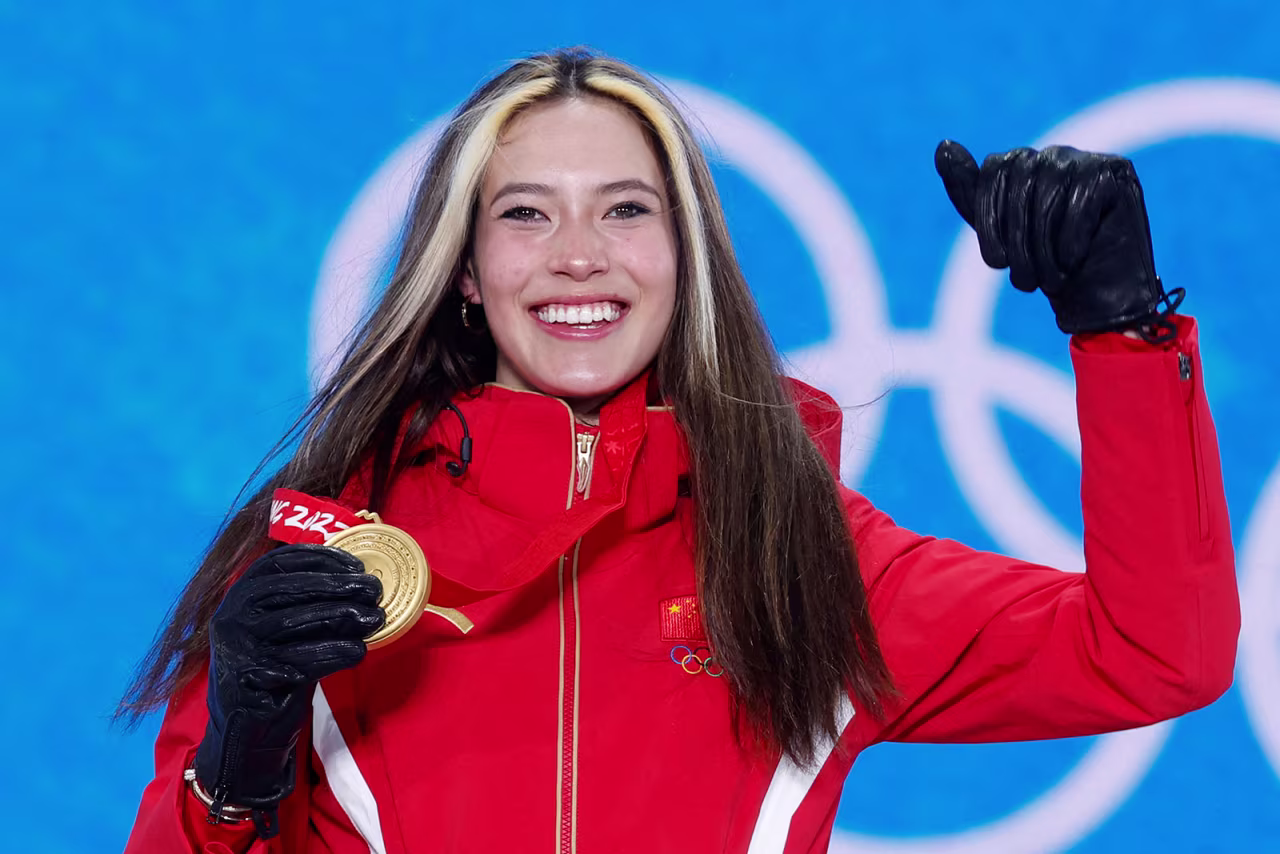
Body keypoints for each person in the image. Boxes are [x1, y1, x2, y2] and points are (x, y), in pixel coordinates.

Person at [120, 48, 1239, 853]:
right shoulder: (332, 557)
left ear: (683, 255)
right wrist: (237, 760)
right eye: (524, 214)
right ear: (463, 268)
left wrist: (1118, 326)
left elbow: (1153, 651)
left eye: (623, 211)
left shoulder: (799, 560)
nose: (575, 256)